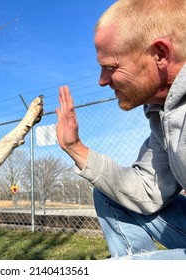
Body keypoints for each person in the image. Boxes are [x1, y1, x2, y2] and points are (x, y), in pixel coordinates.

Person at [56, 0, 186, 259]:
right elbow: (148, 190)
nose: (102, 81)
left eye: (111, 67)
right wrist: (75, 148)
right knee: (108, 195)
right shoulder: (162, 114)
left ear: (160, 54)